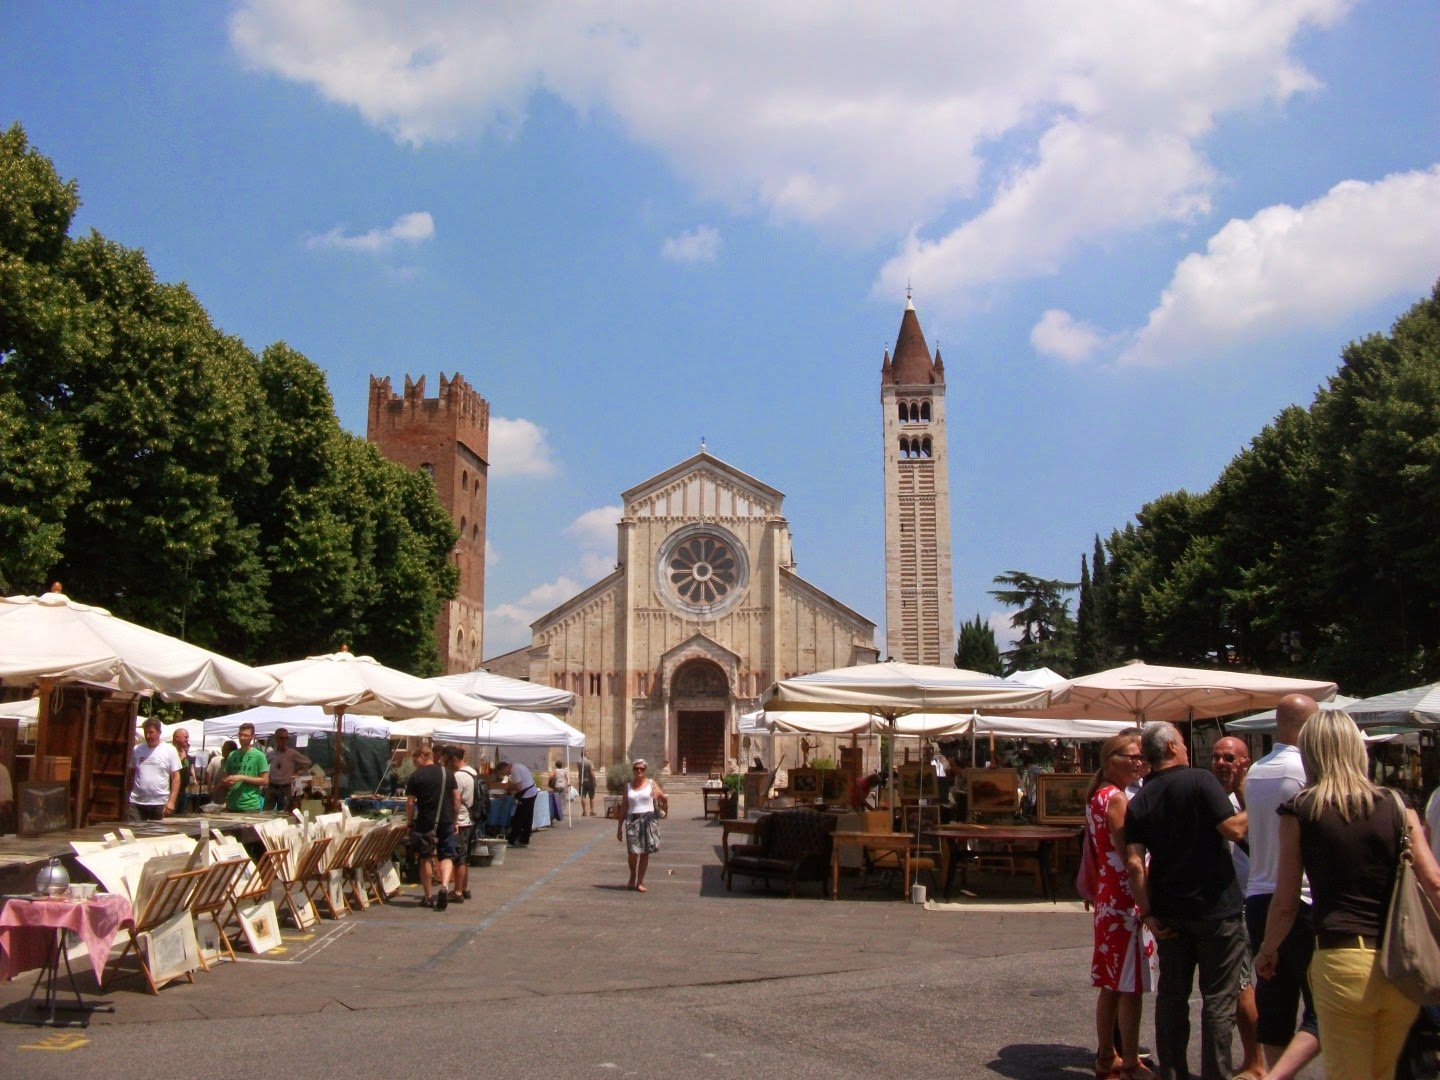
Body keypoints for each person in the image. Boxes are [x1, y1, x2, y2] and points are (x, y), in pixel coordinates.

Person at [1256, 710, 1440, 1079]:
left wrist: (1267, 950)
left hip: (1341, 961)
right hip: (1400, 964)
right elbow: (1433, 881)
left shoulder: (1302, 810)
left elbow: (1287, 902)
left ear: (1311, 753)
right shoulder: (1396, 804)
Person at [1124, 721, 1249, 1080]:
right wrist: (1252, 797)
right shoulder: (1199, 780)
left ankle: (1174, 1073)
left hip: (1168, 909)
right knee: (1218, 1001)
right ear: (1174, 747)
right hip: (1215, 907)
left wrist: (1145, 910)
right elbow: (1235, 830)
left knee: (1172, 998)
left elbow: (1134, 862)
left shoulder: (1142, 798)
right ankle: (1215, 1074)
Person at [1242, 696, 1321, 1079]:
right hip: (1300, 894)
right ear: (1307, 726)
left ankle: (1277, 1071)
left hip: (1258, 893)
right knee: (1320, 1001)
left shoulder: (1256, 771)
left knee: (1274, 997)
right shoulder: (1306, 769)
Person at [1086, 732, 1158, 1080]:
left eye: (1141, 757)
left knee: (1113, 984)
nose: (1138, 762)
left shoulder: (1098, 795)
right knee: (1131, 986)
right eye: (1131, 756)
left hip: (1108, 897)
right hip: (1126, 900)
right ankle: (1129, 1061)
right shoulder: (1116, 799)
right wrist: (1147, 905)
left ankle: (1107, 1057)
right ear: (1111, 759)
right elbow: (1130, 855)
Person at [1208, 735, 1267, 1080]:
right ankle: (1255, 1059)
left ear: (1245, 761)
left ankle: (1257, 1062)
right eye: (1216, 757)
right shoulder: (1213, 795)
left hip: (1254, 896)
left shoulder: (1254, 793)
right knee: (1243, 984)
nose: (1220, 763)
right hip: (1230, 899)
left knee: (1247, 985)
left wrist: (1247, 793)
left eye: (1229, 758)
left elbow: (1238, 832)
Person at [406, 745, 459, 911]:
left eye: (416, 759)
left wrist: (409, 823)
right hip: (446, 820)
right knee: (446, 856)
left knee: (425, 857)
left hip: (425, 821)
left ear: (422, 756)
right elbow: (456, 798)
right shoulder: (447, 773)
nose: (415, 763)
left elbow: (410, 803)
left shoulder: (416, 776)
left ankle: (428, 896)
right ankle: (444, 885)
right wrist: (455, 820)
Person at [616, 758, 667, 892]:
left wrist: (660, 796)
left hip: (648, 819)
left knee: (645, 852)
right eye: (636, 768)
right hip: (632, 820)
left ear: (645, 770)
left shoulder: (651, 783)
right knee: (633, 852)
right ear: (633, 770)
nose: (639, 771)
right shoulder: (628, 786)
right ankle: (633, 875)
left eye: (642, 769)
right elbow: (624, 806)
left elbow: (664, 798)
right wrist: (619, 827)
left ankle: (639, 881)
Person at [129, 716, 182, 821]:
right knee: (135, 833)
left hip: (160, 802)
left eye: (151, 732)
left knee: (158, 835)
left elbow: (176, 777)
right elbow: (131, 773)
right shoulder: (137, 749)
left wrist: (172, 801)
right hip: (137, 802)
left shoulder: (169, 750)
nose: (148, 736)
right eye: (146, 733)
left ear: (159, 732)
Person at [444, 744, 477, 903]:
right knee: (464, 855)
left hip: (461, 820)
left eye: (446, 760)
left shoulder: (457, 776)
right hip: (470, 818)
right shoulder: (472, 772)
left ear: (454, 759)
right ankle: (465, 887)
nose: (445, 764)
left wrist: (454, 820)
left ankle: (457, 892)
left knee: (459, 858)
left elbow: (456, 799)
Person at [222, 723, 270, 813]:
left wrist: (242, 777)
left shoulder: (259, 756)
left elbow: (265, 780)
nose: (242, 738)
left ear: (252, 737)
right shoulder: (232, 755)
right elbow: (225, 777)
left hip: (250, 806)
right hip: (231, 804)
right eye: (240, 735)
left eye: (246, 735)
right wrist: (227, 781)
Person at [264, 727, 312, 813]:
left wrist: (297, 770)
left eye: (286, 738)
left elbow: (307, 762)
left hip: (285, 787)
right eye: (281, 738)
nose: (284, 741)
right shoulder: (271, 754)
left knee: (286, 812)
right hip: (272, 786)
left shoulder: (292, 753)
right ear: (276, 739)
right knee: (267, 812)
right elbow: (263, 766)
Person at [505, 759, 541, 848]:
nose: (506, 774)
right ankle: (524, 839)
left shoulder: (514, 770)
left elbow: (519, 786)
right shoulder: (518, 766)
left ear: (505, 767)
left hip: (527, 795)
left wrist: (509, 788)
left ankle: (512, 840)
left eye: (504, 772)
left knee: (519, 817)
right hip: (531, 793)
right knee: (527, 818)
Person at [172, 727, 193, 813]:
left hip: (183, 791)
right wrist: (181, 758)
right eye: (185, 737)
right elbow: (170, 768)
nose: (187, 739)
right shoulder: (171, 751)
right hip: (172, 791)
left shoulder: (184, 752)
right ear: (177, 737)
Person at [579, 752, 597, 817]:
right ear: (586, 754)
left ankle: (584, 811)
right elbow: (591, 772)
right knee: (592, 796)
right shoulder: (589, 762)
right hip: (589, 781)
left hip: (582, 781)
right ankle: (592, 810)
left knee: (583, 796)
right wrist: (594, 780)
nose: (589, 755)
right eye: (588, 754)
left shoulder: (579, 762)